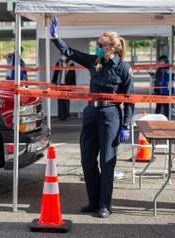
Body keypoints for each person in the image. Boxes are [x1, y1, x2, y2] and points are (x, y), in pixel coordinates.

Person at [50, 16, 134, 218]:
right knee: (87, 161)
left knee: (107, 161)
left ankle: (105, 204)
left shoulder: (123, 68)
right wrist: (55, 37)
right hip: (91, 113)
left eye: (100, 44)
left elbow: (130, 99)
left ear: (111, 48)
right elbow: (70, 52)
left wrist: (126, 125)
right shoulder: (94, 61)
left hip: (110, 115)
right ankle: (93, 202)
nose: (96, 46)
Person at [52, 54, 76, 120]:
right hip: (59, 84)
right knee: (60, 101)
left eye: (64, 55)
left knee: (66, 101)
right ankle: (61, 116)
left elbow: (73, 75)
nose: (62, 56)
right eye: (62, 55)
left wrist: (73, 85)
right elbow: (55, 73)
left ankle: (66, 116)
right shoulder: (58, 63)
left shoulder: (71, 64)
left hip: (67, 85)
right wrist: (53, 82)